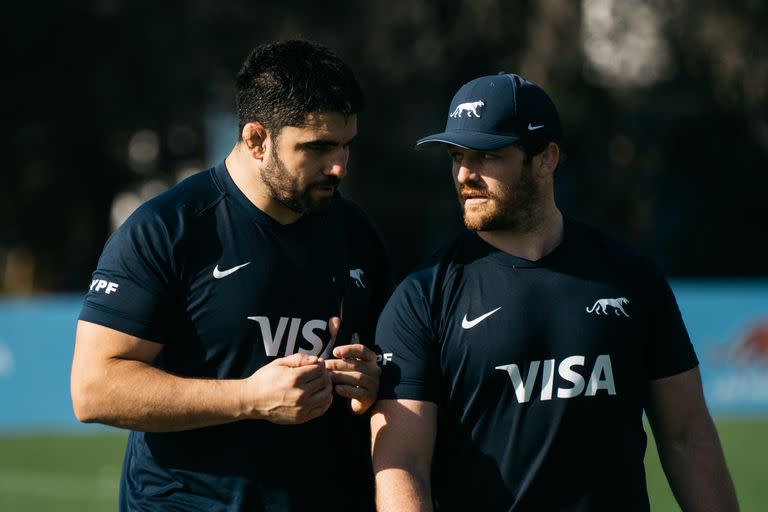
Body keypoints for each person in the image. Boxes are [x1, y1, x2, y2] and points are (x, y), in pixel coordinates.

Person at [370, 72, 738, 511]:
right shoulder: (422, 297)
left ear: (546, 159)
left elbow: (688, 438)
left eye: (486, 155)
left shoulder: (630, 278)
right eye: (455, 156)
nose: (464, 173)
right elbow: (402, 463)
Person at [71, 40, 391, 511]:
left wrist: (372, 377)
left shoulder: (357, 232)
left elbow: (389, 366)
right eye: (318, 147)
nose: (339, 165)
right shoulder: (169, 228)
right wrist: (249, 397)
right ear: (256, 139)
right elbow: (94, 388)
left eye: (346, 145)